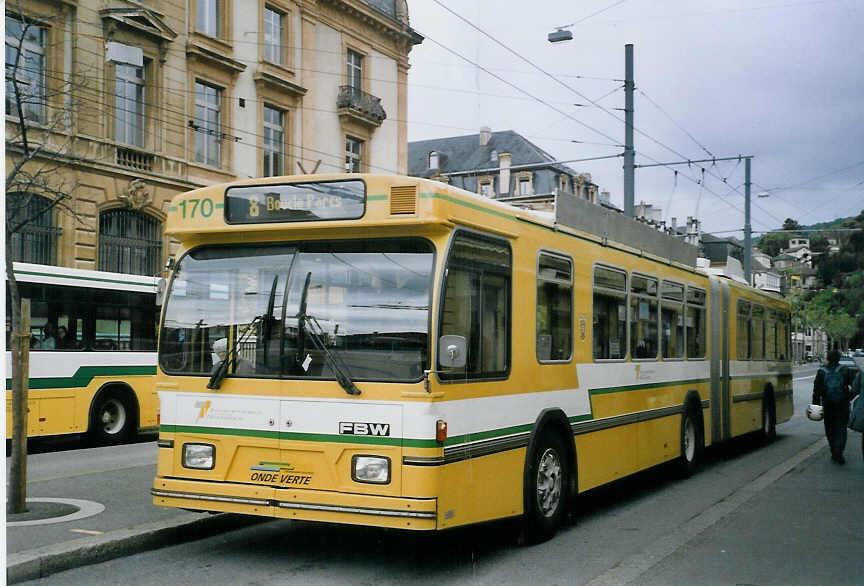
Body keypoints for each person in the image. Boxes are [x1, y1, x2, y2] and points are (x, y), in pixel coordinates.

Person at [811, 349, 854, 464]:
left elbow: (817, 391)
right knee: (841, 429)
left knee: (829, 429)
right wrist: (848, 397)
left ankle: (833, 450)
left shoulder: (821, 372)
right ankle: (839, 450)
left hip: (828, 404)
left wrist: (816, 405)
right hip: (842, 404)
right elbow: (853, 386)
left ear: (828, 358)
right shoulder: (845, 370)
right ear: (839, 358)